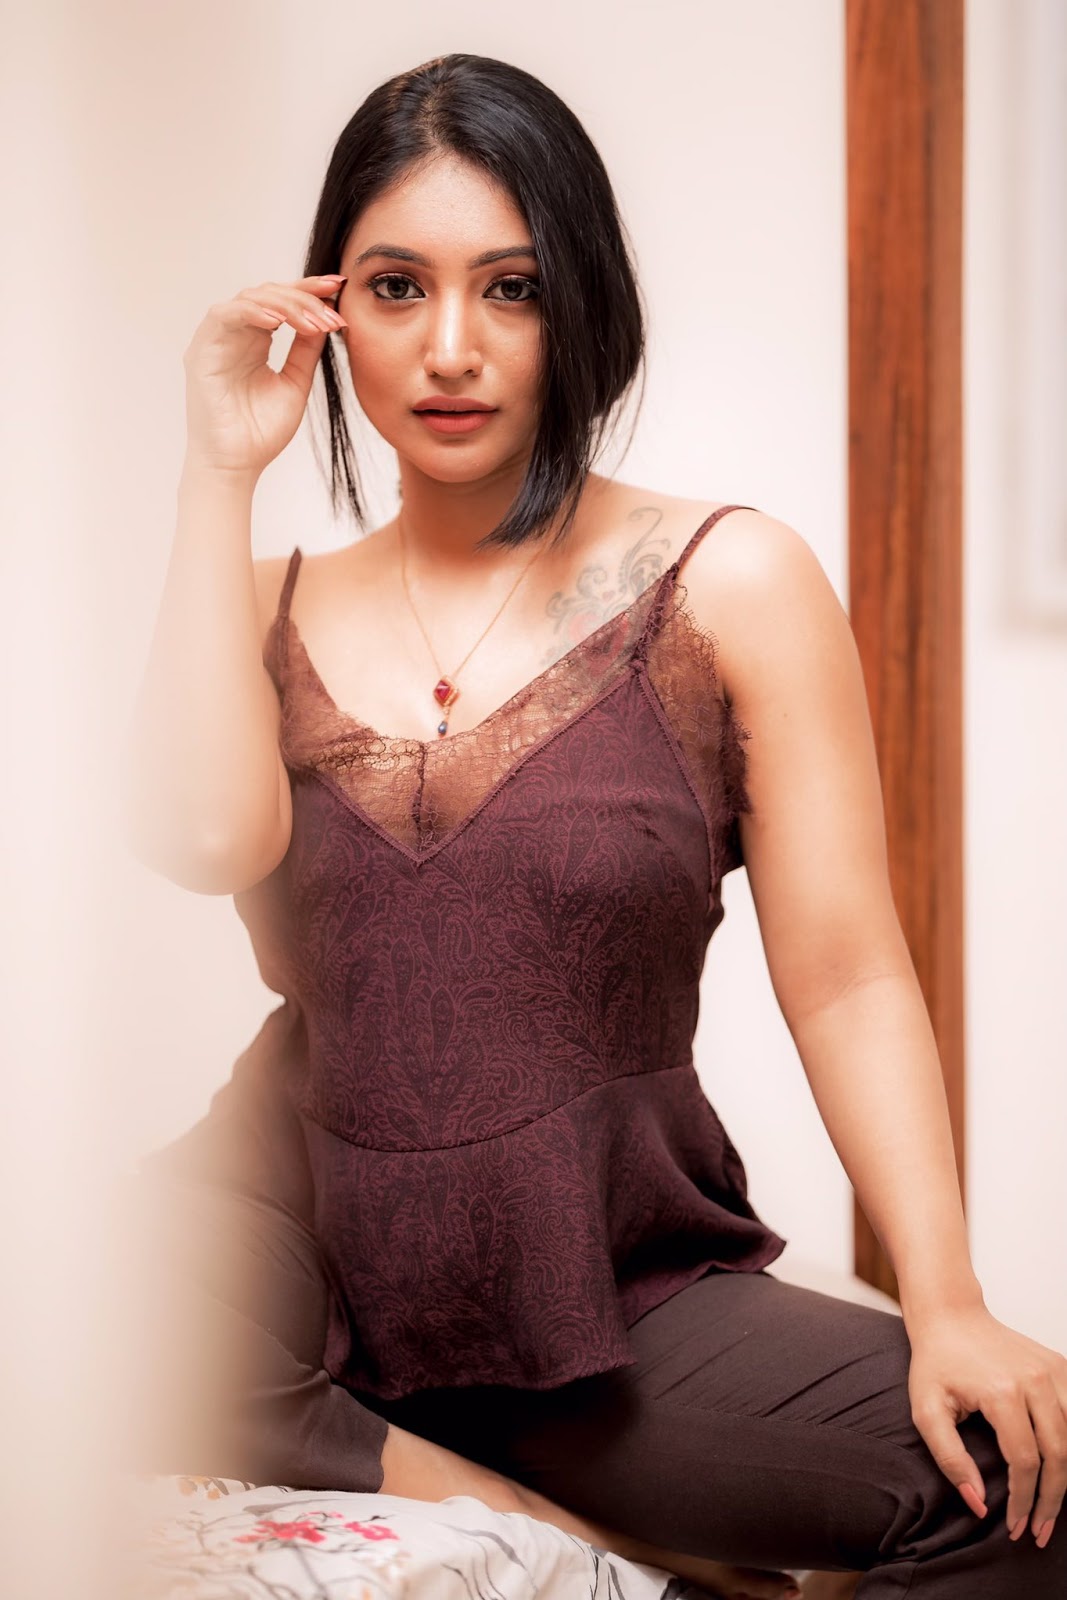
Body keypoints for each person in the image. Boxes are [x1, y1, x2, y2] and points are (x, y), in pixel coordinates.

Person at [121, 52, 1066, 1600]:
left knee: (1018, 1490)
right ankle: (518, 1512)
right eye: (396, 286)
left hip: (604, 1294)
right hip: (299, 1248)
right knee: (79, 1300)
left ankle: (517, 1480)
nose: (451, 348)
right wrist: (217, 472)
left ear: (584, 305)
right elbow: (201, 840)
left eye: (511, 288)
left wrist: (946, 1301)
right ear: (332, 306)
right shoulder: (263, 600)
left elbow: (846, 975)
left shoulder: (729, 585)